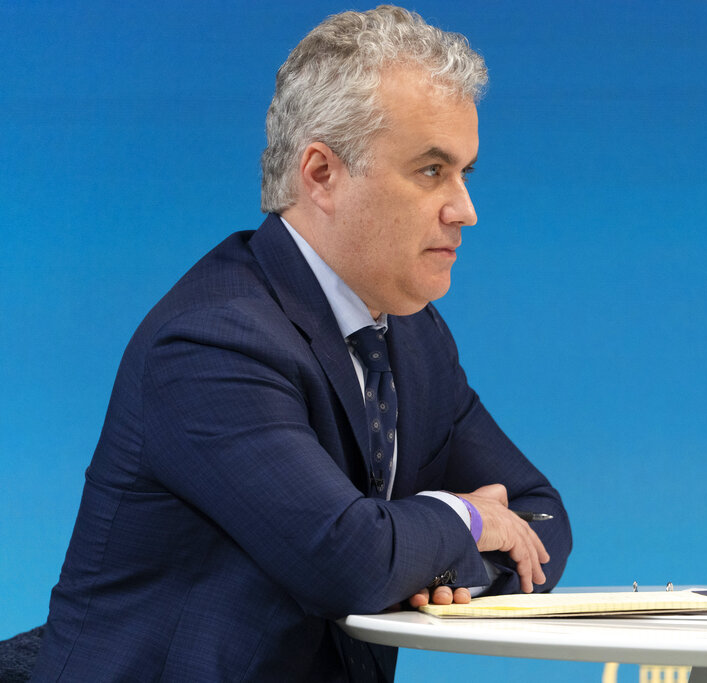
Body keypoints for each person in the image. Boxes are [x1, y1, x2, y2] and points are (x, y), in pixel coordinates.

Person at [31, 6, 572, 681]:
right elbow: (348, 561)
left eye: (465, 172)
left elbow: (540, 515)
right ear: (320, 174)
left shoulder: (414, 335)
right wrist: (460, 518)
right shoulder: (212, 342)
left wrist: (430, 562)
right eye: (432, 171)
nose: (465, 208)